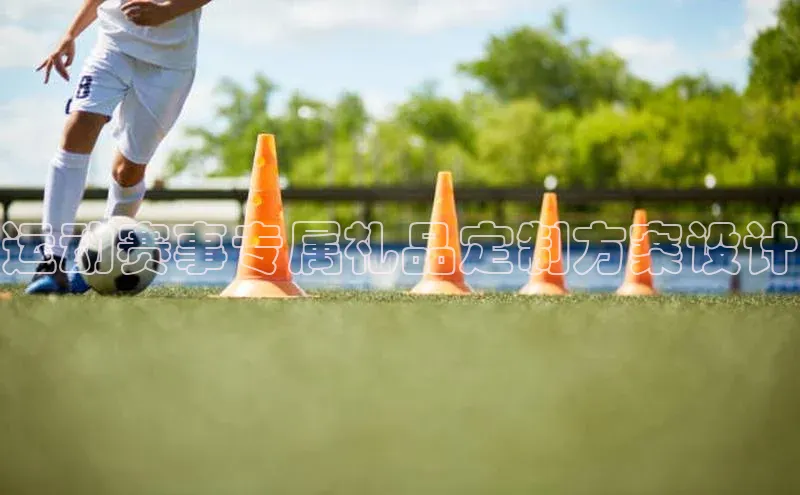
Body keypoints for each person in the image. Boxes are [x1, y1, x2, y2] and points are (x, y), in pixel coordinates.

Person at [27, 0, 212, 295]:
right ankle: (53, 261)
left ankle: (96, 267)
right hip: (113, 45)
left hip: (170, 63)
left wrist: (167, 11)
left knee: (128, 170)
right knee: (78, 128)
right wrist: (70, 34)